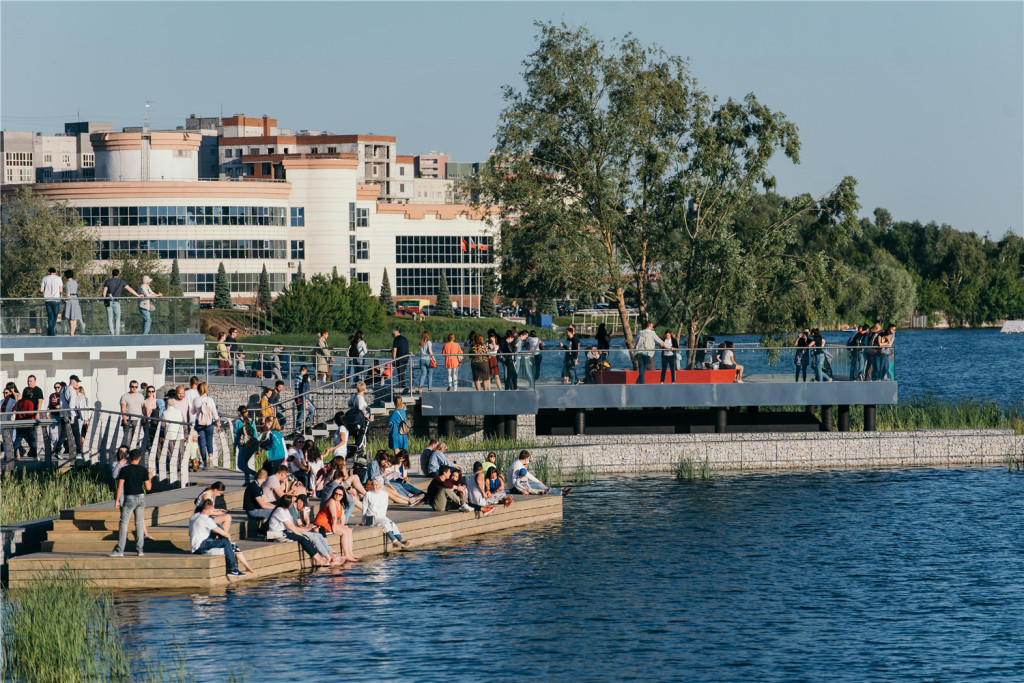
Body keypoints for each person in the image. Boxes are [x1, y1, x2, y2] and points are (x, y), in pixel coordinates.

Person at [189, 499, 254, 577]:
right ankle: (232, 569)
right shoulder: (206, 520)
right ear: (212, 508)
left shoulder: (194, 516)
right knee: (227, 542)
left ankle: (245, 567)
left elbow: (190, 533)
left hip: (195, 544)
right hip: (200, 547)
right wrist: (228, 538)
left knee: (230, 544)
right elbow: (224, 534)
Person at [266, 495, 332, 566]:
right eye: (291, 503)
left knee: (304, 538)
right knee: (303, 539)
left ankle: (319, 558)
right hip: (277, 533)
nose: (292, 504)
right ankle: (317, 559)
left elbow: (291, 524)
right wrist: (301, 535)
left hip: (284, 531)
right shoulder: (280, 510)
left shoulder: (286, 510)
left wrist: (303, 532)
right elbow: (290, 526)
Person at [109, 449, 152, 557]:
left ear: (129, 458)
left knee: (124, 524)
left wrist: (117, 501)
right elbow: (148, 487)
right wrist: (149, 478)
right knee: (138, 524)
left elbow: (119, 487)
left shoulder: (125, 470)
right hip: (141, 498)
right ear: (140, 458)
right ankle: (140, 550)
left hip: (129, 498)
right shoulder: (143, 470)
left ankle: (120, 550)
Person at [313, 486, 360, 562]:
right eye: (336, 494)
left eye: (340, 494)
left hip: (330, 521)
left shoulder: (340, 503)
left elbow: (342, 517)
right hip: (323, 522)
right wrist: (334, 530)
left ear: (342, 496)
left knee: (348, 530)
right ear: (333, 494)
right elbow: (334, 517)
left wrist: (343, 526)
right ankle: (347, 554)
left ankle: (351, 553)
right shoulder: (331, 501)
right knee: (344, 532)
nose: (337, 496)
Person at [362, 478, 411, 550]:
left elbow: (384, 507)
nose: (374, 487)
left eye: (376, 485)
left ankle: (400, 539)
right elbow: (364, 507)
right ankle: (394, 541)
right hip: (371, 516)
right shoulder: (368, 494)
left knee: (392, 524)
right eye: (373, 485)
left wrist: (383, 517)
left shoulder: (384, 494)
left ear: (380, 485)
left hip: (381, 516)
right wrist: (363, 520)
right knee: (385, 523)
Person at [101, 268, 139, 335]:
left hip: (108, 301)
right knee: (117, 318)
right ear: (118, 274)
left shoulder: (108, 281)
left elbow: (104, 293)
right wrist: (138, 295)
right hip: (116, 301)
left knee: (110, 319)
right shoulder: (121, 281)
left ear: (112, 274)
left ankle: (111, 334)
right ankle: (117, 334)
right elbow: (129, 289)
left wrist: (104, 300)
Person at [193, 382, 221, 468]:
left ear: (198, 390)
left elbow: (193, 412)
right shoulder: (210, 400)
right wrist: (218, 425)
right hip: (209, 424)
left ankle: (204, 463)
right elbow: (215, 414)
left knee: (202, 443)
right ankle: (211, 458)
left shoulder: (196, 400)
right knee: (209, 442)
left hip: (200, 424)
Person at [56, 375, 83, 455]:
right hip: (71, 415)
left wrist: (61, 415)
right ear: (73, 381)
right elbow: (71, 405)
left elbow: (61, 403)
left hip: (64, 415)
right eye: (77, 382)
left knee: (63, 433)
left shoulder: (63, 389)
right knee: (76, 434)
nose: (78, 384)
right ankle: (78, 451)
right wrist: (73, 417)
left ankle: (57, 450)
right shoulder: (72, 391)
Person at [119, 380, 144, 446]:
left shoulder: (141, 396)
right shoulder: (125, 396)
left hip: (138, 420)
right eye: (132, 386)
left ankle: (135, 454)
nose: (134, 388)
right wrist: (125, 420)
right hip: (128, 420)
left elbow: (143, 407)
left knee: (136, 439)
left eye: (136, 387)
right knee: (127, 440)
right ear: (129, 386)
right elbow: (123, 409)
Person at [40, 267, 63, 336]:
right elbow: (61, 290)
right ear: (55, 273)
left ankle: (50, 332)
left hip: (48, 300)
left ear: (48, 272)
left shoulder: (45, 278)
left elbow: (41, 290)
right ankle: (51, 331)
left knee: (50, 316)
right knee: (55, 316)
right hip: (56, 300)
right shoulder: (58, 278)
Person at [63, 270, 83, 336]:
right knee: (75, 317)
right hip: (76, 298)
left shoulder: (68, 283)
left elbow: (68, 294)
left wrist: (64, 299)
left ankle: (71, 333)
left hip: (70, 299)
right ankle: (73, 332)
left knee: (71, 317)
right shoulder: (75, 282)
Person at [391, 329, 411, 395]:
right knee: (403, 370)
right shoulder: (404, 338)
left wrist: (393, 360)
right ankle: (403, 384)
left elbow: (394, 350)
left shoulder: (396, 340)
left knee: (400, 371)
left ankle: (403, 385)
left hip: (400, 357)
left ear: (394, 335)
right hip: (407, 356)